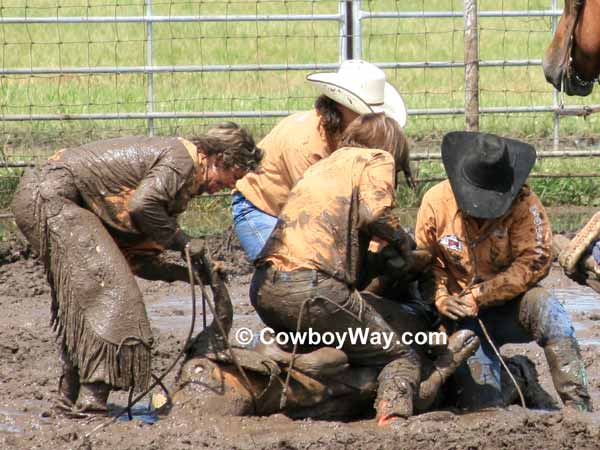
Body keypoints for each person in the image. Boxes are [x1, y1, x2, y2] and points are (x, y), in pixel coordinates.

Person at [10, 123, 262, 415]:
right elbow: (143, 206)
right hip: (53, 198)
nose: (232, 185)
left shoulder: (178, 170)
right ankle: (91, 406)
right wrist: (183, 242)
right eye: (235, 176)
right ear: (221, 159)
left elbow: (138, 261)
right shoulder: (182, 162)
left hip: (43, 196)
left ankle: (68, 401)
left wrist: (189, 275)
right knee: (115, 298)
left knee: (82, 304)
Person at [251, 113, 430, 424]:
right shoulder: (376, 158)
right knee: (400, 355)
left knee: (338, 343)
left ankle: (288, 361)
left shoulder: (323, 166)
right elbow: (375, 216)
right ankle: (394, 418)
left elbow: (350, 254)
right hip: (312, 287)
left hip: (265, 287)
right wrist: (404, 244)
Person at [415, 131, 592, 412]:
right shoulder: (436, 203)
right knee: (482, 405)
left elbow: (536, 259)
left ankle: (578, 406)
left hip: (510, 306)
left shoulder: (524, 203)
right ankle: (519, 376)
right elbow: (426, 263)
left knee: (548, 309)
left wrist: (481, 296)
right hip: (461, 320)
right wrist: (440, 297)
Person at [232, 59, 408, 261]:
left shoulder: (341, 136)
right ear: (342, 108)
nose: (370, 125)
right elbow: (313, 208)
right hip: (262, 208)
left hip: (302, 211)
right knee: (282, 265)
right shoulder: (305, 144)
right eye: (364, 117)